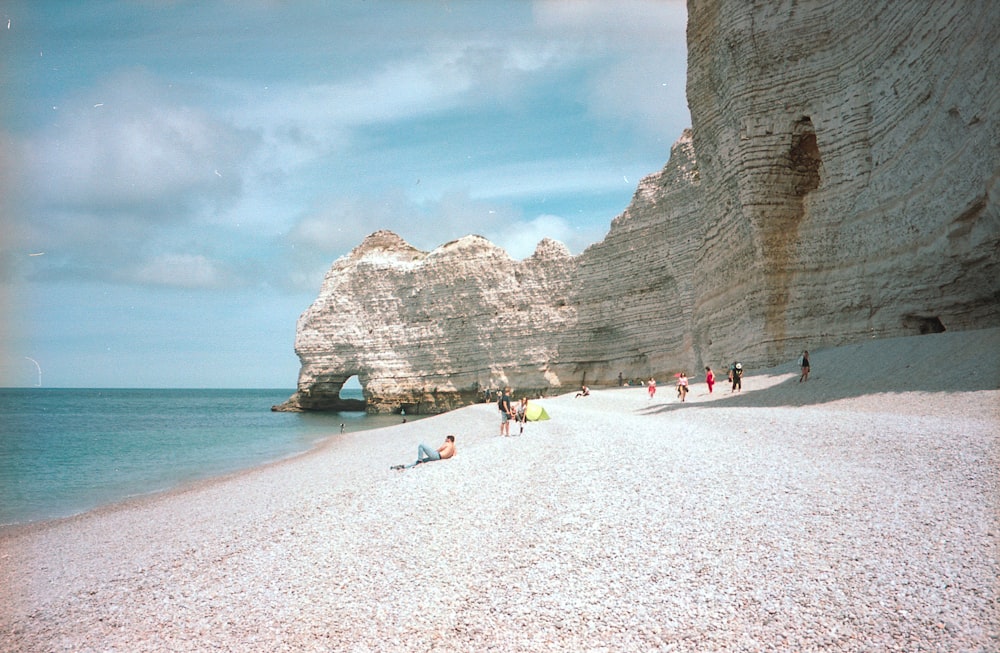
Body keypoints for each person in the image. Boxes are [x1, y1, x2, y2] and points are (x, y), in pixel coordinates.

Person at [390, 435, 456, 470]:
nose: (445, 439)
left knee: (421, 445)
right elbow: (454, 455)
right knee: (423, 460)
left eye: (446, 438)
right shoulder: (453, 447)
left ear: (449, 439)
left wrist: (433, 452)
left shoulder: (447, 443)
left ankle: (419, 460)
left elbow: (439, 449)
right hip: (439, 458)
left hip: (437, 456)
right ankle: (406, 467)